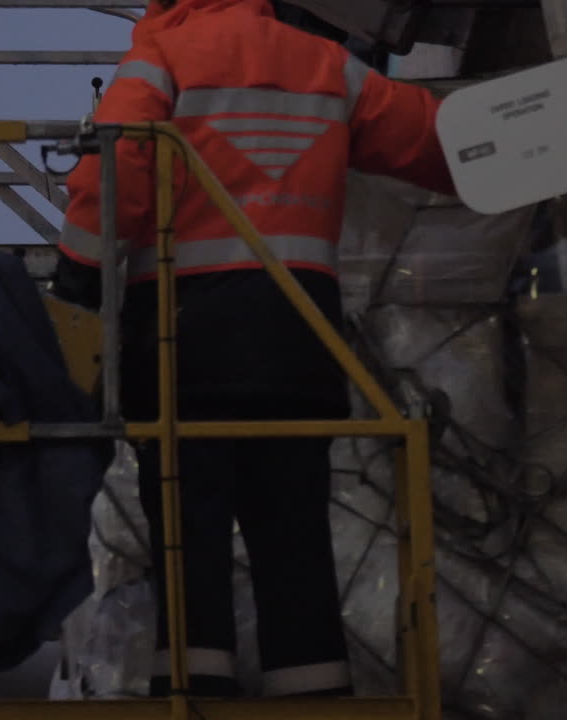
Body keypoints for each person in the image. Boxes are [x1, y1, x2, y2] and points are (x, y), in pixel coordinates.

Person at [50, 0, 456, 699]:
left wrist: (77, 278)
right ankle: (315, 696)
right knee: (294, 534)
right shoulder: (327, 66)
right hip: (298, 340)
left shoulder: (163, 60)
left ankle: (195, 694)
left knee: (188, 537)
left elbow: (117, 171)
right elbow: (433, 142)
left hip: (187, 346)